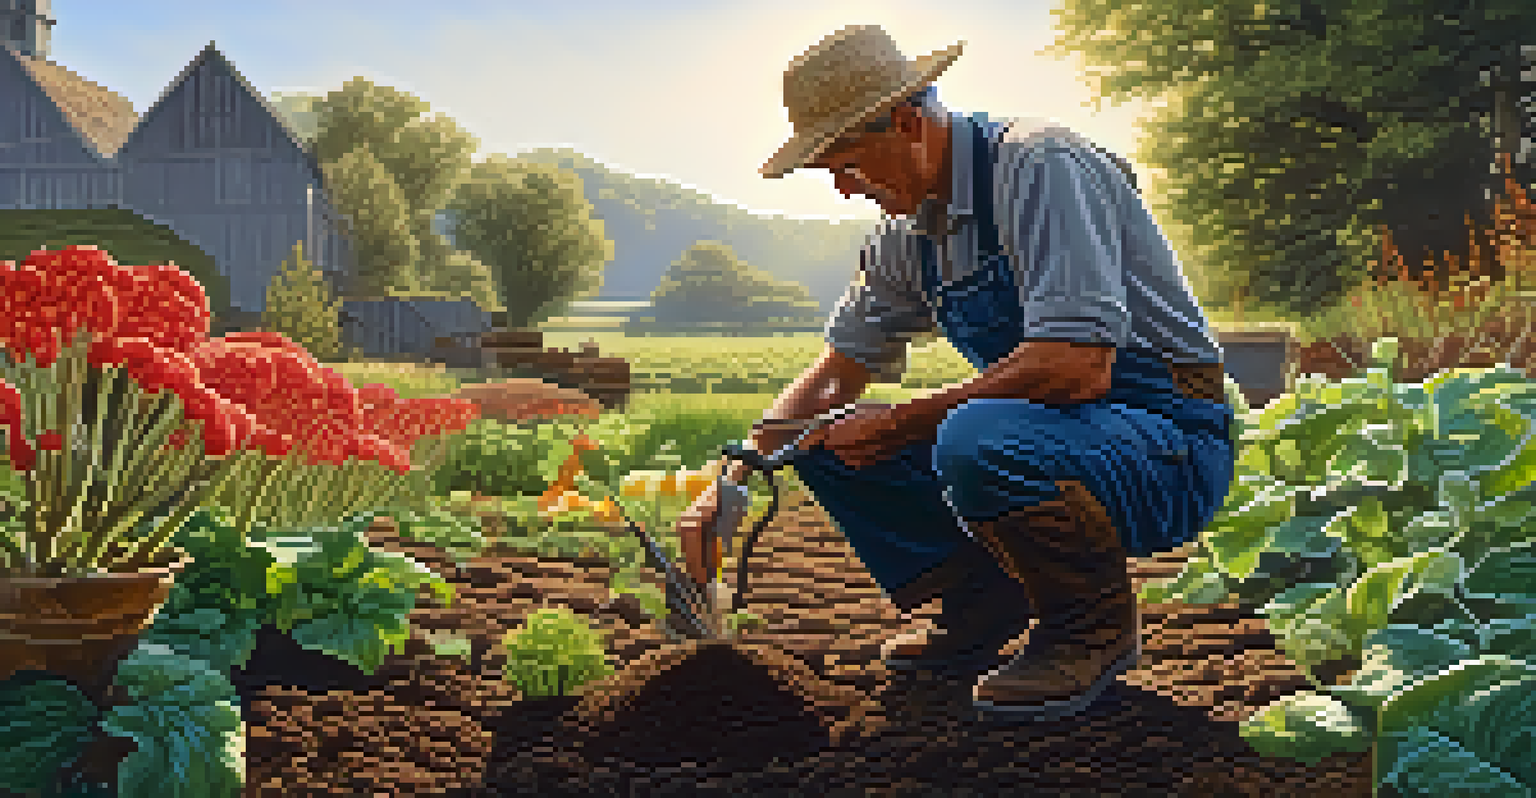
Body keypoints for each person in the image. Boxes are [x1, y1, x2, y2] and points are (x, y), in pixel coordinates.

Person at [677, 24, 1236, 721]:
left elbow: (1077, 366)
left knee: (976, 437)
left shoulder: (1039, 164)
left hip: (1168, 441)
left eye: (848, 166)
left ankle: (1086, 629)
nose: (845, 192)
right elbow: (833, 376)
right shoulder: (905, 235)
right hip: (1062, 429)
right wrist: (732, 480)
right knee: (819, 435)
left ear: (908, 122)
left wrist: (901, 422)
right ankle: (986, 598)